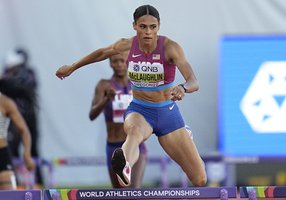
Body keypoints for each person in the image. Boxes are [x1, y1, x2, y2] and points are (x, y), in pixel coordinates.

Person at [56, 4, 207, 187]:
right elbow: (102, 53)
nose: (148, 32)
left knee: (200, 179)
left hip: (167, 113)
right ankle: (124, 164)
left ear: (159, 26)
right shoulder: (126, 45)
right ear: (134, 26)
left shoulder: (170, 48)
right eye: (143, 26)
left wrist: (183, 88)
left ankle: (184, 132)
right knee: (134, 133)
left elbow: (194, 81)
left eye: (153, 27)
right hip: (140, 110)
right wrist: (72, 67)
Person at [89, 54, 147, 188]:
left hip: (135, 143)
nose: (119, 64)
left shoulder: (138, 85)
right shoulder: (104, 85)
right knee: (119, 193)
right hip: (114, 146)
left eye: (122, 61)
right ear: (110, 64)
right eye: (115, 61)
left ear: (128, 62)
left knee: (134, 191)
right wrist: (106, 99)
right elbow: (92, 115)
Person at [2, 48, 43, 186]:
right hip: (14, 119)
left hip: (28, 116)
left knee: (33, 149)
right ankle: (17, 181)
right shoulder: (7, 76)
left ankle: (38, 180)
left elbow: (28, 85)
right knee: (13, 149)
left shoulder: (27, 74)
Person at [0, 78, 35, 190]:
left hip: (2, 155)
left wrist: (27, 154)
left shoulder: (5, 103)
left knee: (9, 195)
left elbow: (24, 130)